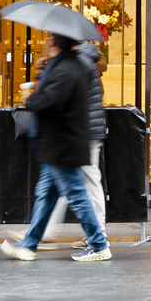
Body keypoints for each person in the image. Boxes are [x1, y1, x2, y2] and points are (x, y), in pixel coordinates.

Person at [2, 33, 111, 262]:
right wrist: (43, 72)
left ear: (57, 43)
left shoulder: (70, 67)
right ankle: (29, 244)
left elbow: (50, 99)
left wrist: (29, 98)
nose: (48, 43)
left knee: (78, 195)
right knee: (47, 195)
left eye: (51, 39)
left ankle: (99, 244)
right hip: (60, 141)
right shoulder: (68, 65)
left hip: (63, 142)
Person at [45, 39, 109, 245]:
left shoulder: (79, 62)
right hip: (85, 130)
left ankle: (99, 237)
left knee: (85, 182)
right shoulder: (85, 59)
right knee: (69, 182)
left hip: (84, 131)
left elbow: (67, 96)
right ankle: (43, 232)